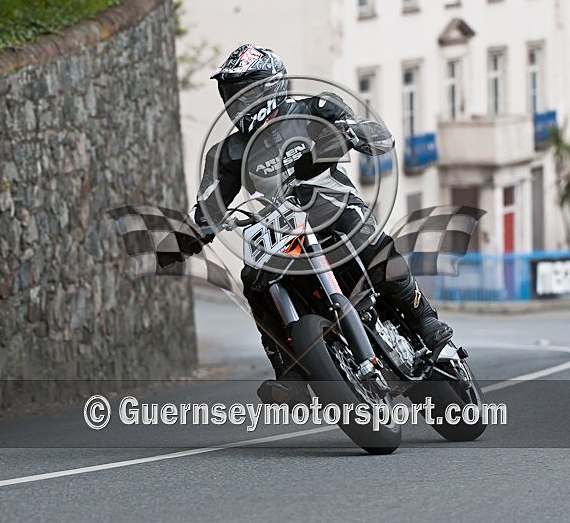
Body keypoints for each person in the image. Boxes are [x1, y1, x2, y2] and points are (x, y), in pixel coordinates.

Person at [187, 44, 452, 405]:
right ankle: (290, 374)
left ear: (270, 86)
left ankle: (424, 319)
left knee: (370, 242)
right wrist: (194, 231)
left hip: (333, 206)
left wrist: (357, 134)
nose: (236, 101)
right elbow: (209, 200)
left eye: (244, 91)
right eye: (230, 93)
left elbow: (369, 131)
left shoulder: (316, 108)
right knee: (253, 279)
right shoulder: (226, 152)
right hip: (280, 228)